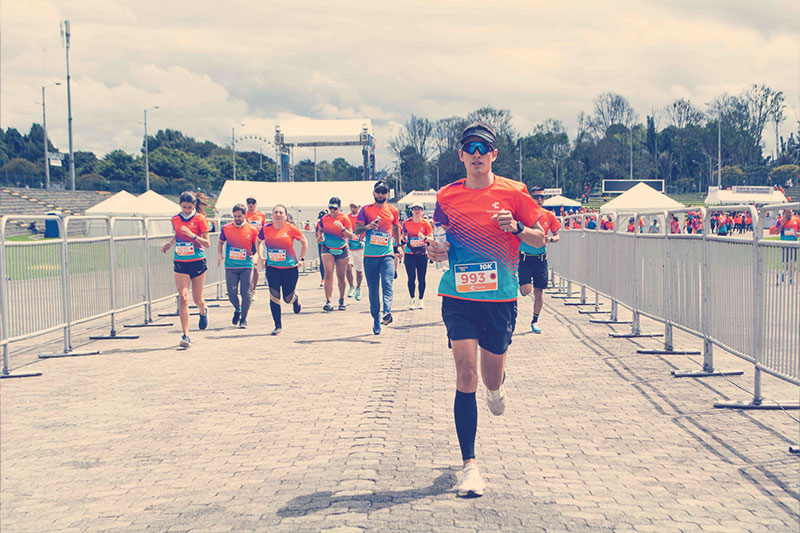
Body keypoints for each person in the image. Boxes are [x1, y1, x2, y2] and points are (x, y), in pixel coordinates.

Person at [428, 122, 545, 497]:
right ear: (461, 154)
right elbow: (440, 238)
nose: (477, 153)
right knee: (465, 376)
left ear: (494, 154)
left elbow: (542, 237)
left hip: (500, 300)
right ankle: (470, 468)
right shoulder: (446, 196)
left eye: (484, 148)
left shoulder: (515, 193)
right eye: (470, 147)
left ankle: (497, 390)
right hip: (459, 296)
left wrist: (517, 229)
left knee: (490, 380)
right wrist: (436, 251)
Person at [161, 191, 211, 348]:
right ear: (180, 205)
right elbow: (178, 235)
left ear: (194, 205)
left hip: (197, 261)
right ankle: (186, 335)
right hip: (181, 261)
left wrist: (193, 235)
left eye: (190, 207)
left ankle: (203, 310)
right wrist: (169, 245)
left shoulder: (201, 219)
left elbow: (207, 243)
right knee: (183, 297)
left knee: (197, 300)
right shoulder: (175, 219)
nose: (187, 210)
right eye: (184, 207)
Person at [355, 180, 401, 334]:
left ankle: (387, 311)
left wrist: (398, 245)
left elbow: (395, 227)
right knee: (373, 290)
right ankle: (376, 317)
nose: (381, 194)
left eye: (384, 192)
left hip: (386, 255)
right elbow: (356, 230)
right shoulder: (366, 210)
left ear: (388, 194)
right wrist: (368, 227)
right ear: (374, 193)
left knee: (387, 283)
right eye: (378, 191)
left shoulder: (393, 210)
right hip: (369, 256)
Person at [258, 204, 308, 334]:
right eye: (276, 212)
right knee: (274, 296)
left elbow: (304, 242)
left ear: (285, 216)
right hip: (272, 268)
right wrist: (261, 257)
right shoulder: (266, 229)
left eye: (281, 213)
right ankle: (277, 326)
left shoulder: (290, 228)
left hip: (289, 269)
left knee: (287, 298)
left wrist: (301, 259)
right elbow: (258, 241)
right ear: (272, 215)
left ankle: (295, 300)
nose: (278, 215)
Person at [518, 186, 560, 333]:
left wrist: (552, 239)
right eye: (537, 197)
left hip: (541, 259)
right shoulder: (523, 215)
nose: (540, 200)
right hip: (524, 258)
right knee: (525, 291)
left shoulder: (549, 215)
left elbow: (557, 235)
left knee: (539, 292)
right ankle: (520, 285)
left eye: (542, 197)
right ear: (531, 198)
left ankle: (535, 321)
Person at [217, 204, 259, 328]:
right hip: (231, 266)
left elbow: (258, 246)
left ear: (245, 215)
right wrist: (219, 254)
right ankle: (238, 309)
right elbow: (220, 243)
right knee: (232, 293)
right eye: (235, 216)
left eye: (239, 216)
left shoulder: (252, 229)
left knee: (245, 293)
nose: (237, 218)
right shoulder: (226, 228)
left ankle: (244, 319)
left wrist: (256, 256)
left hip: (246, 265)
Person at [317, 197, 355, 311]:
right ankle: (328, 301)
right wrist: (320, 236)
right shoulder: (324, 218)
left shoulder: (344, 218)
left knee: (341, 275)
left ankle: (341, 299)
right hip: (327, 248)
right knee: (328, 273)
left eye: (335, 208)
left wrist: (342, 228)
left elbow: (350, 235)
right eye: (330, 208)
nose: (332, 210)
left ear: (339, 208)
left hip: (342, 249)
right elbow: (320, 229)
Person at [401, 201, 433, 309]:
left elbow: (431, 238)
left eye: (419, 209)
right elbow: (403, 235)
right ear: (412, 211)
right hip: (410, 253)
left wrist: (424, 237)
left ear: (422, 211)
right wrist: (404, 239)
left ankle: (421, 299)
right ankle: (412, 299)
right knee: (411, 278)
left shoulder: (426, 224)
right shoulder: (406, 223)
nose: (417, 211)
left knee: (421, 278)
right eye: (415, 209)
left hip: (422, 254)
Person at [245, 197, 267, 299]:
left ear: (256, 204)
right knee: (247, 267)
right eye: (249, 203)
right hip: (246, 242)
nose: (251, 205)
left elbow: (263, 227)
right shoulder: (244, 214)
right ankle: (246, 289)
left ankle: (253, 289)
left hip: (257, 242)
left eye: (252, 203)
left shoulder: (261, 215)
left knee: (255, 266)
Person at [774, 208, 799, 285]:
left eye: (790, 212)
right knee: (787, 264)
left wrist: (798, 234)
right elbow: (776, 232)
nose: (789, 214)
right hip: (785, 245)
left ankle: (789, 277)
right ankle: (784, 274)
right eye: (788, 212)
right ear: (784, 213)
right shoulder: (780, 221)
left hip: (794, 244)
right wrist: (782, 224)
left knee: (794, 265)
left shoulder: (796, 220)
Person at [345, 202, 365, 301]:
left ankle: (358, 288)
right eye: (352, 206)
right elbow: (344, 230)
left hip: (360, 248)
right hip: (349, 248)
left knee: (359, 270)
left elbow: (365, 229)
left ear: (359, 207)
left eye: (355, 206)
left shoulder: (361, 217)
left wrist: (363, 239)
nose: (353, 208)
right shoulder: (347, 218)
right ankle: (351, 286)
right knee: (348, 268)